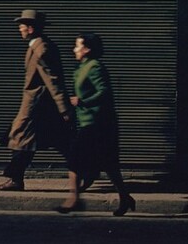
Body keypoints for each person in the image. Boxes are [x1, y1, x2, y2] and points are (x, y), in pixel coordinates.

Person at [56, 32, 135, 215]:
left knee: (74, 158)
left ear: (87, 49)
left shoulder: (95, 67)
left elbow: (104, 92)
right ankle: (125, 197)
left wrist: (82, 101)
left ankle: (74, 199)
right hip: (89, 121)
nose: (74, 49)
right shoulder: (82, 67)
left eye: (77, 45)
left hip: (98, 123)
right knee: (109, 163)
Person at [0, 9, 72, 191]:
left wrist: (64, 108)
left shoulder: (41, 49)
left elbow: (53, 80)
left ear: (30, 28)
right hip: (38, 103)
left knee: (22, 139)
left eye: (22, 26)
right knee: (56, 141)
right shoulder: (37, 46)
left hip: (37, 105)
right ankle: (84, 168)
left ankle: (15, 179)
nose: (19, 29)